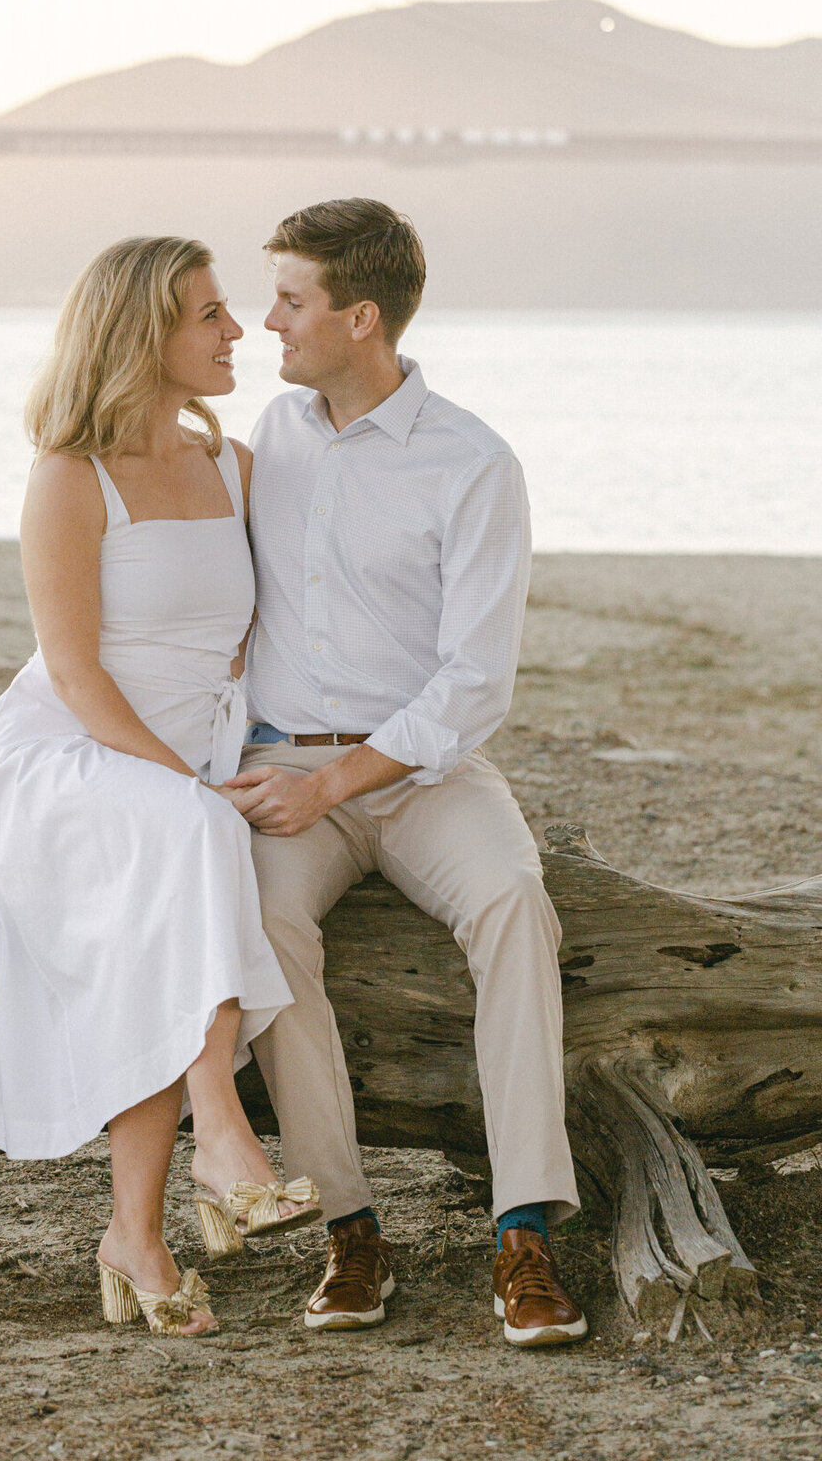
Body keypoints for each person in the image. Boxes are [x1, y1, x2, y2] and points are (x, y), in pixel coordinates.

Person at [226, 198, 588, 1346]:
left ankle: (523, 1230)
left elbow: (477, 681)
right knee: (266, 932)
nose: (266, 320)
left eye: (292, 299)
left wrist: (339, 785)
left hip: (429, 772)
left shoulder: (472, 463)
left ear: (361, 317)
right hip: (286, 756)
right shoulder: (270, 438)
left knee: (514, 906)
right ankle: (351, 1231)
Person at [0, 236, 320, 1340]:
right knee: (188, 837)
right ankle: (222, 1130)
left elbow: (271, 626)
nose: (235, 331)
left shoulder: (236, 463)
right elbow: (74, 672)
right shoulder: (71, 477)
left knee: (168, 905)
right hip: (70, 753)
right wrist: (187, 786)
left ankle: (136, 1237)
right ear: (140, 334)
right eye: (209, 314)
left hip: (188, 752)